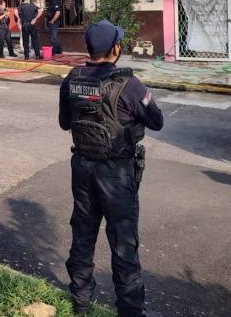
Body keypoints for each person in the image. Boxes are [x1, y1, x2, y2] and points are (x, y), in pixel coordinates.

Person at [59, 20, 163, 316]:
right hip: (116, 174)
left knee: (82, 233)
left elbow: (65, 122)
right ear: (116, 49)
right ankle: (130, 310)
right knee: (123, 242)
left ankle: (80, 300)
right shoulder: (129, 84)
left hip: (81, 169)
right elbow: (157, 120)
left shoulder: (72, 78)